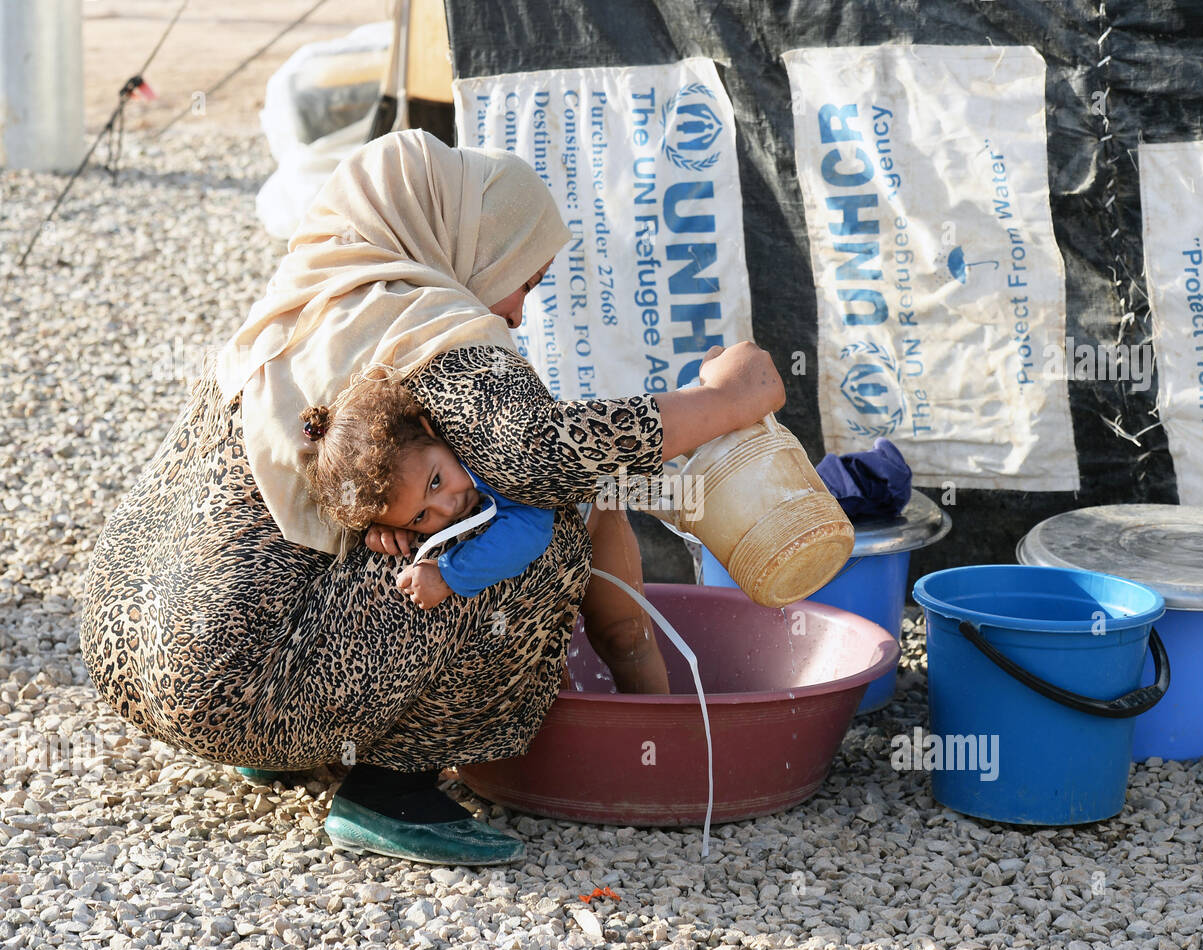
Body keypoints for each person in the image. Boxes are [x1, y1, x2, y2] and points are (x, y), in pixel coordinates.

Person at [79, 129, 785, 866]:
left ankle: (288, 748)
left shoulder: (302, 303)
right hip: (247, 690)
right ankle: (391, 790)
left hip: (132, 667)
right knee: (539, 522)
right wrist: (730, 399)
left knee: (430, 503)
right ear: (476, 241)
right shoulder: (427, 329)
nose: (516, 313)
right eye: (526, 279)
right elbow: (547, 458)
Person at [294, 367, 671, 697]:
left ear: (430, 430)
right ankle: (578, 758)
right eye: (419, 517)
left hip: (592, 510)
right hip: (544, 577)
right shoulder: (420, 477)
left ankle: (664, 738)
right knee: (546, 669)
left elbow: (528, 528)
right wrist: (380, 530)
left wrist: (448, 574)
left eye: (437, 481)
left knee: (624, 635)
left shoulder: (487, 451)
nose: (447, 506)